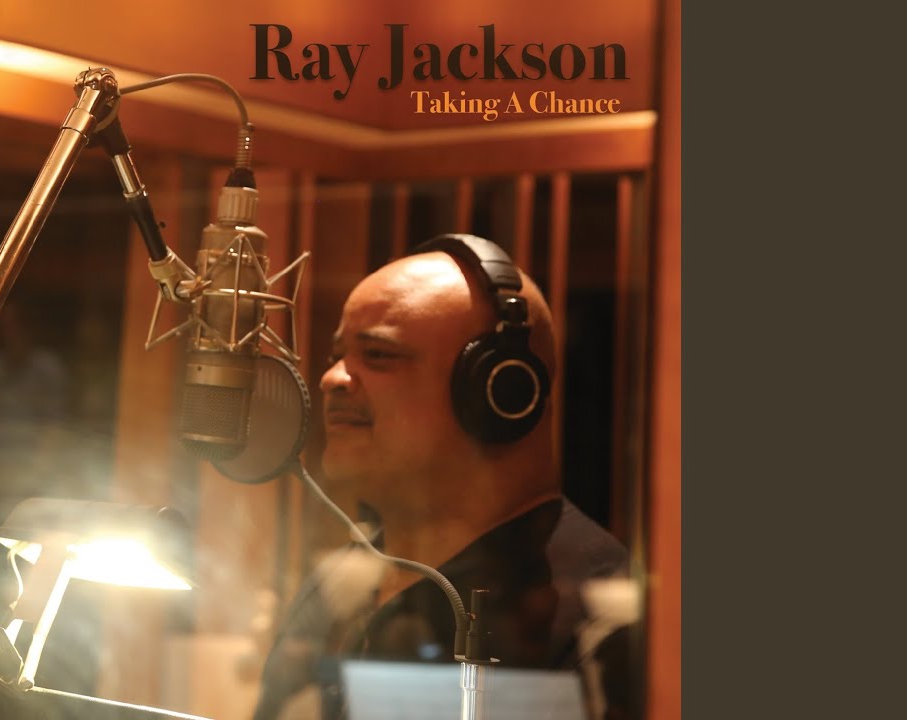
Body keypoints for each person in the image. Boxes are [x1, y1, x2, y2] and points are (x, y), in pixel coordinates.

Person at [253, 235, 635, 720]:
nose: (332, 379)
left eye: (379, 355)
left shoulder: (598, 620)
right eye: (337, 355)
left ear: (500, 391)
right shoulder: (338, 587)